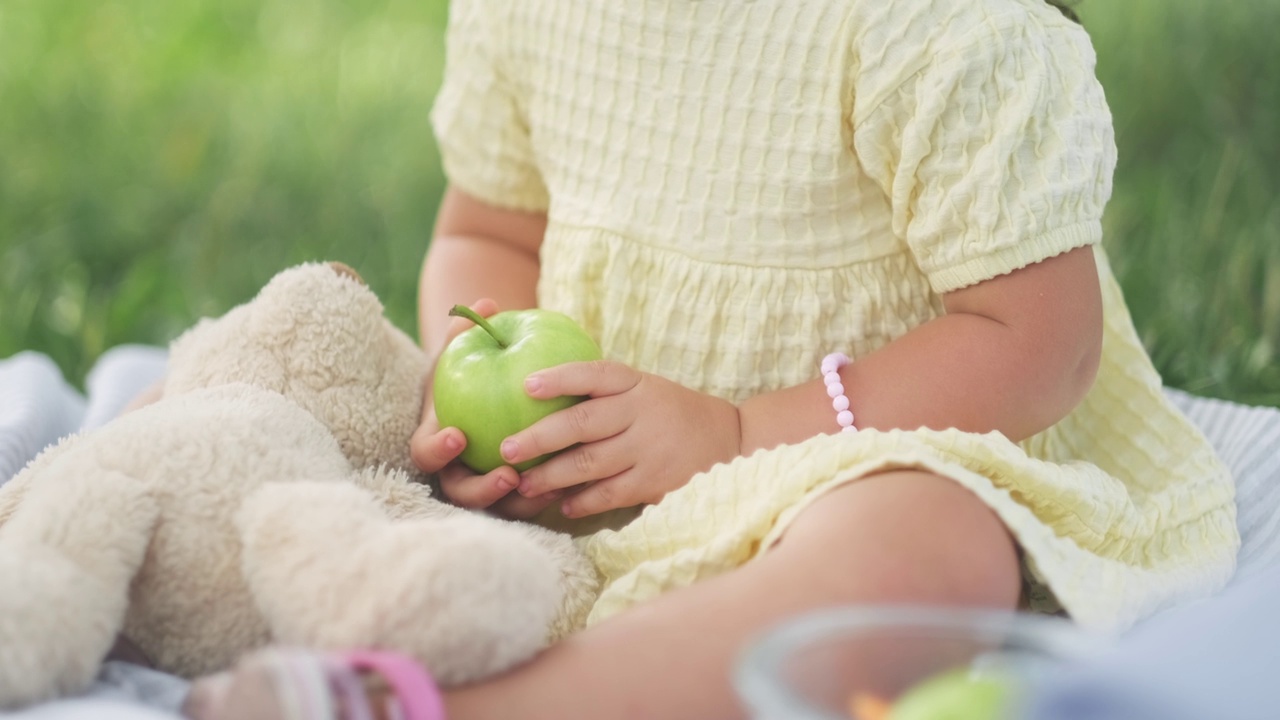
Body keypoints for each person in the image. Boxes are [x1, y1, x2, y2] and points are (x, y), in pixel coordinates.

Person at [183, 0, 1238, 717]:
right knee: (284, 408)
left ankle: (447, 706)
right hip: (596, 474)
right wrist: (489, 387)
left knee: (927, 543)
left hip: (861, 447)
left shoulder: (940, 32)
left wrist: (739, 434)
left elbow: (1035, 345)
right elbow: (488, 231)